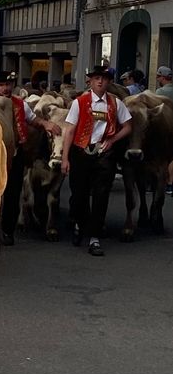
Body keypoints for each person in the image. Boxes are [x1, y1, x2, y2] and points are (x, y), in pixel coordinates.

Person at [61, 63, 132, 257]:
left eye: (104, 78)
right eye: (96, 78)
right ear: (90, 81)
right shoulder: (80, 102)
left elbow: (127, 126)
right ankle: (78, 222)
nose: (100, 81)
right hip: (81, 152)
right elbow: (69, 131)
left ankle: (94, 237)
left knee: (101, 196)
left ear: (109, 82)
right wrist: (65, 158)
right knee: (79, 195)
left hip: (103, 154)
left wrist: (112, 139)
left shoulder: (115, 103)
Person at [0, 70, 62, 247]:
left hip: (15, 154)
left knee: (13, 194)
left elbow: (32, 120)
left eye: (8, 84)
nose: (6, 88)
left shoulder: (19, 104)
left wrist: (46, 123)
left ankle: (8, 231)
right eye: (2, 85)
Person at [154, 66, 173, 194]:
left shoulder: (160, 92)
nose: (157, 79)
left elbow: (156, 109)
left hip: (165, 126)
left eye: (158, 76)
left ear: (163, 77)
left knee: (164, 155)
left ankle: (168, 182)